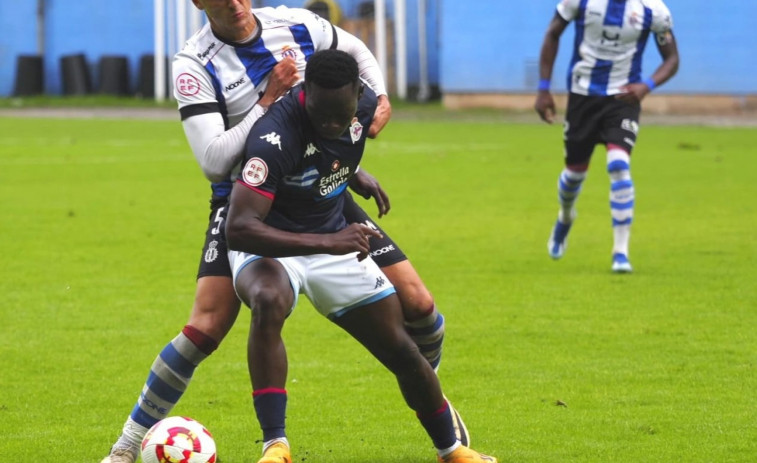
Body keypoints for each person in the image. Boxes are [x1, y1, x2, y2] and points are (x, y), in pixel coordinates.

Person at [101, 2, 463, 462]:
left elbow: (354, 54)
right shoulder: (195, 63)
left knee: (419, 303)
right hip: (245, 198)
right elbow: (215, 159)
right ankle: (127, 446)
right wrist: (266, 102)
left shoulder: (295, 24)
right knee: (207, 325)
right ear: (198, 3)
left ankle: (438, 408)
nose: (234, 1)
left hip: (324, 193)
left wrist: (381, 100)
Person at [226, 48, 496, 463]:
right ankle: (275, 446)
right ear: (305, 93)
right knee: (268, 300)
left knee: (401, 346)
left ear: (358, 94)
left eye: (343, 114)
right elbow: (241, 227)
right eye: (323, 116)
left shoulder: (366, 106)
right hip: (272, 242)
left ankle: (452, 449)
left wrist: (352, 175)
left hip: (333, 234)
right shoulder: (273, 136)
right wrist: (328, 242)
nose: (334, 124)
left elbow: (335, 148)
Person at [535, 0, 679, 272]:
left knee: (618, 164)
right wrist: (543, 89)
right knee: (574, 174)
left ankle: (620, 253)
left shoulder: (654, 10)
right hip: (583, 98)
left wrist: (646, 86)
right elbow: (552, 33)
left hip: (623, 98)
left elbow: (672, 59)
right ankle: (566, 216)